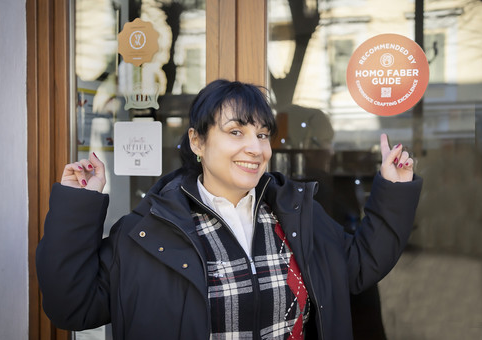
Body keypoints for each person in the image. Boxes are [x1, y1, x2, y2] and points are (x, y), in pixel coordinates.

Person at [36, 79, 422, 340]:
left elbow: (358, 266)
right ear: (198, 142)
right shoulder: (146, 231)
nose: (255, 148)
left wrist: (394, 188)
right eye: (236, 132)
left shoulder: (294, 213)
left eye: (262, 134)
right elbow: (73, 307)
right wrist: (78, 204)